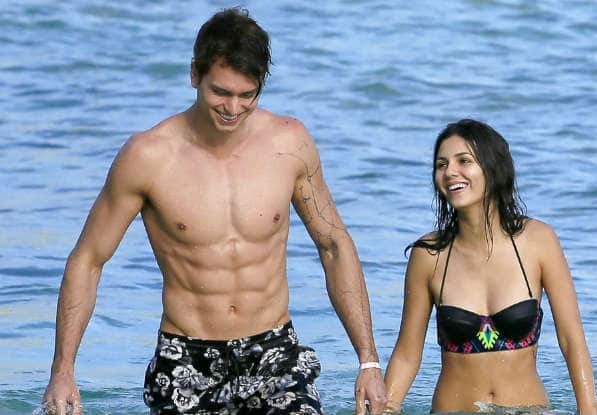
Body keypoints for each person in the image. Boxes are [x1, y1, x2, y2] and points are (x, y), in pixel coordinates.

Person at [42, 7, 386, 415]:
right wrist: (63, 370)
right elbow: (88, 259)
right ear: (194, 75)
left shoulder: (290, 144)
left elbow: (333, 245)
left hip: (274, 352)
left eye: (247, 95)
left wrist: (368, 361)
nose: (233, 108)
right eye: (220, 92)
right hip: (186, 358)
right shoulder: (148, 156)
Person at [383, 119, 597, 414]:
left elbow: (571, 340)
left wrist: (589, 410)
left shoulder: (538, 241)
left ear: (492, 167)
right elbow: (407, 355)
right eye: (441, 164)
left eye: (464, 161)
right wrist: (385, 408)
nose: (450, 172)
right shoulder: (429, 254)